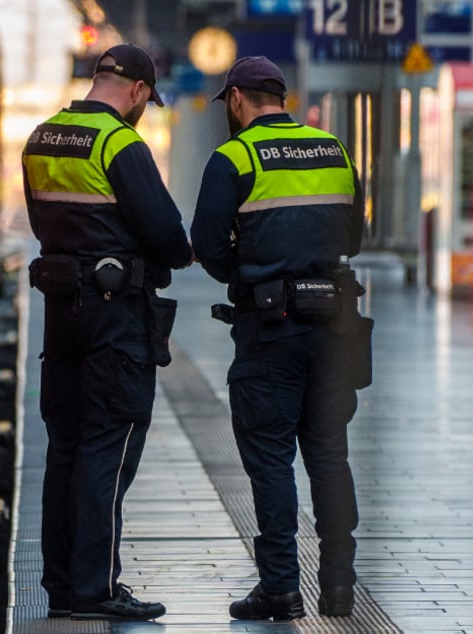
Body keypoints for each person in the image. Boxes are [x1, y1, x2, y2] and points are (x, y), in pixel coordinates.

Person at [190, 56, 367, 621]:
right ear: (283, 97)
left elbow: (211, 249)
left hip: (271, 330)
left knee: (270, 461)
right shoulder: (334, 150)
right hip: (334, 327)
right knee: (330, 456)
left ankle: (281, 589)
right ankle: (339, 589)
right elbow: (354, 237)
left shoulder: (233, 157)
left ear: (237, 99)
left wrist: (255, 269)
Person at [21, 43, 193, 621]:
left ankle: (64, 588)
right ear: (140, 90)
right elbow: (166, 231)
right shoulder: (119, 143)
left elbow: (44, 221)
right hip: (114, 318)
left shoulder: (42, 136)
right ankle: (99, 589)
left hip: (60, 309)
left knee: (64, 447)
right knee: (107, 448)